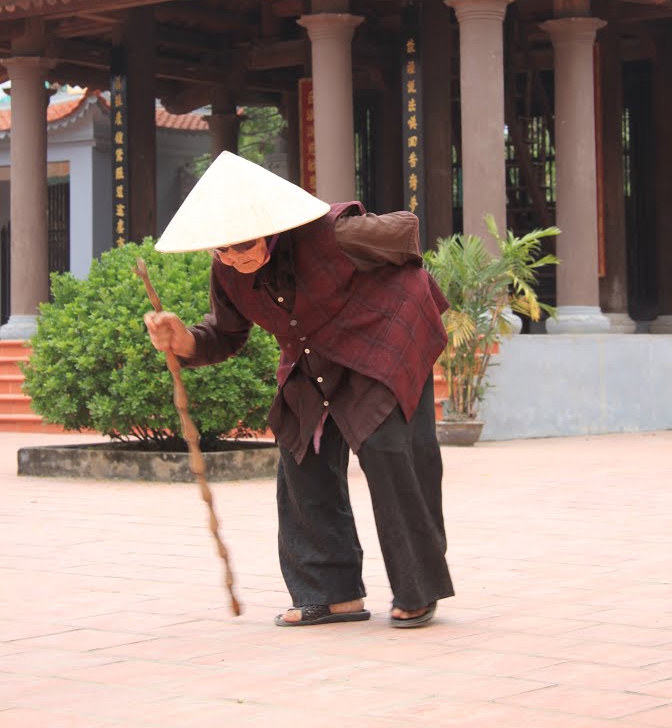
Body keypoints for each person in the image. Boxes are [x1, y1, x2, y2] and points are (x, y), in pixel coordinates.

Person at [144, 151, 454, 628]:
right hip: (313, 358)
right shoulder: (228, 270)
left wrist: (390, 289)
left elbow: (406, 229)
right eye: (220, 249)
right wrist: (184, 340)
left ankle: (418, 588)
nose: (232, 257)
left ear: (271, 228)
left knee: (386, 449)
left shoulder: (333, 232)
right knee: (300, 452)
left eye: (242, 245)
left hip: (381, 341)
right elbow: (225, 334)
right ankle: (332, 595)